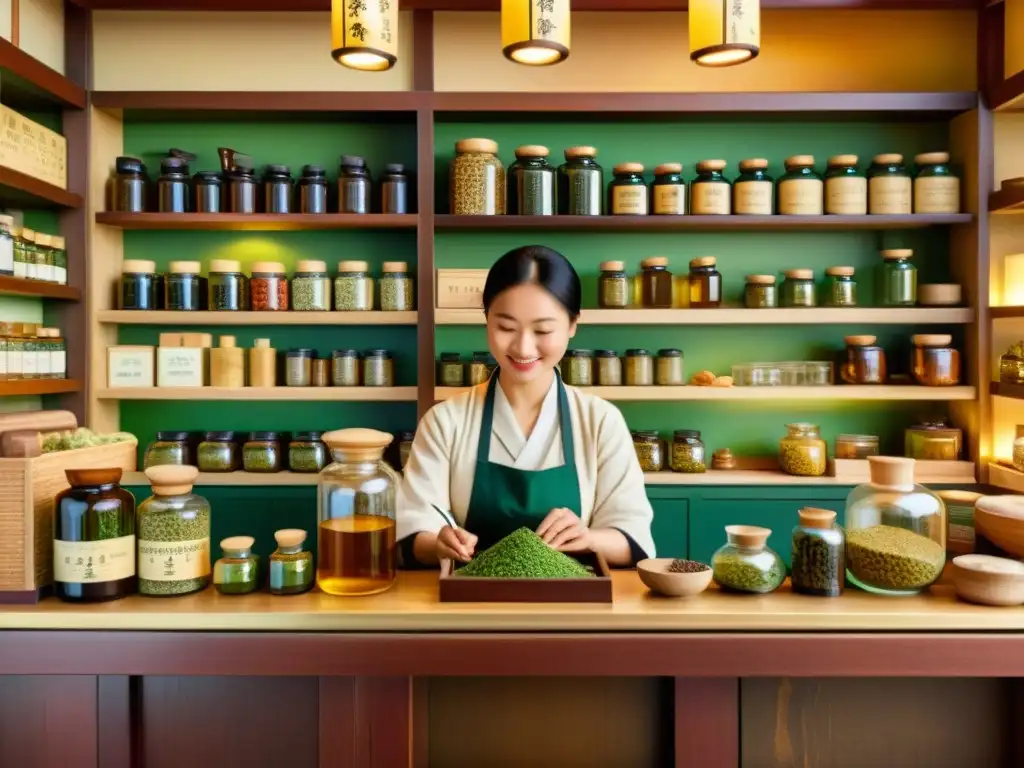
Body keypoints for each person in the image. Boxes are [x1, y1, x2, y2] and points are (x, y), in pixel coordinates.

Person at [397, 244, 655, 567]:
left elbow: (633, 538)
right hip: (468, 607)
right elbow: (413, 531)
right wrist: (438, 542)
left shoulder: (600, 421)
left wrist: (589, 538)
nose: (523, 347)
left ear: (573, 324)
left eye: (543, 330)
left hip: (574, 609)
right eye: (506, 327)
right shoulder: (445, 422)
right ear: (486, 318)